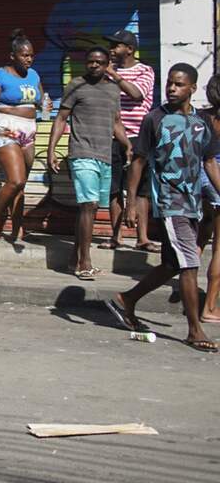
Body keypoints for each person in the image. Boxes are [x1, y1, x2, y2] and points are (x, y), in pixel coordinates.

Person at [107, 63, 220, 352]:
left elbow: (209, 163)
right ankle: (195, 330)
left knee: (172, 264)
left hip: (193, 203)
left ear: (193, 88)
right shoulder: (155, 119)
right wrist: (131, 203)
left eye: (179, 84)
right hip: (170, 203)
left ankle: (127, 299)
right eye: (170, 83)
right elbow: (138, 163)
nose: (171, 88)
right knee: (189, 264)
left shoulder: (202, 123)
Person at [45, 47, 132, 281]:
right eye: (91, 61)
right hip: (81, 153)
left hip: (104, 155)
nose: (94, 65)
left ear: (107, 65)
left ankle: (74, 258)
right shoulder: (76, 85)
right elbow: (61, 117)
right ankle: (85, 262)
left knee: (91, 208)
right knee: (89, 205)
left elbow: (116, 122)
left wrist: (127, 145)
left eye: (100, 62)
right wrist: (52, 150)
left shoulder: (113, 90)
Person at [0, 29, 47, 242]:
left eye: (31, 55)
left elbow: (41, 102)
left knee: (20, 184)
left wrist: (45, 106)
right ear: (12, 56)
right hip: (5, 129)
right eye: (24, 55)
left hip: (29, 130)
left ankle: (18, 228)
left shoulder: (34, 75)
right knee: (15, 180)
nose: (29, 59)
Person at [103, 29, 154, 252]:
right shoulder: (107, 73)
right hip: (113, 137)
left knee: (141, 190)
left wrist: (115, 76)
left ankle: (142, 238)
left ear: (130, 49)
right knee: (114, 189)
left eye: (116, 46)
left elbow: (136, 95)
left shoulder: (145, 71)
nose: (112, 50)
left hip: (139, 138)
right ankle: (116, 236)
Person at [196, 73, 220, 323]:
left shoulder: (201, 116)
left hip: (197, 178)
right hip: (214, 174)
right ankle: (210, 307)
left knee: (203, 231)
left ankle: (187, 286)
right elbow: (211, 162)